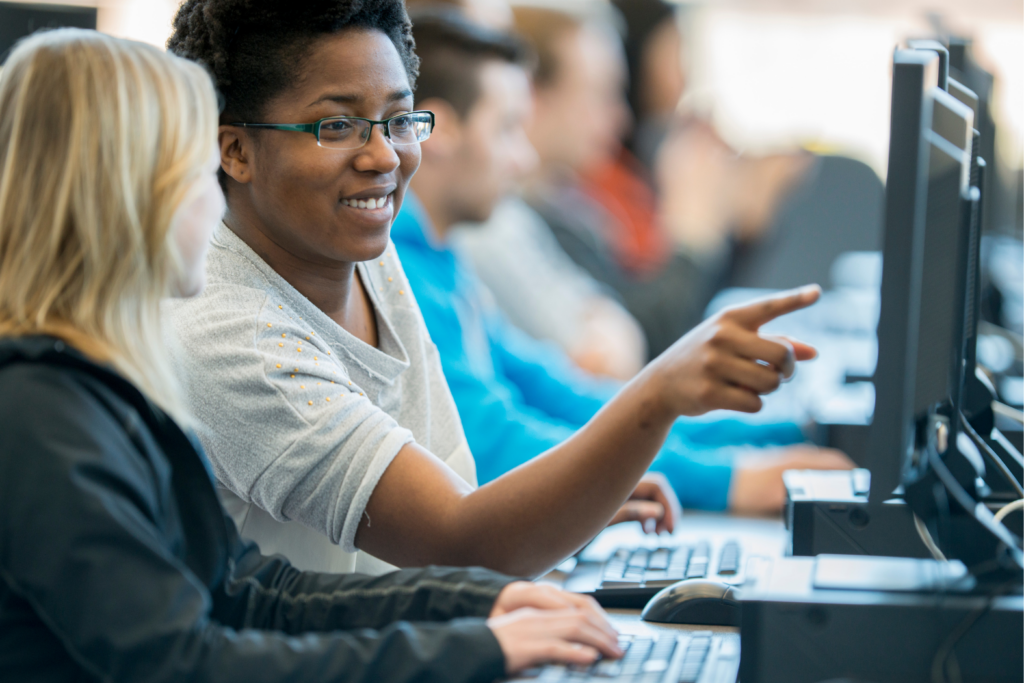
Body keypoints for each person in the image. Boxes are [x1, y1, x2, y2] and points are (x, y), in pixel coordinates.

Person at [0, 28, 627, 682]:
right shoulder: (40, 417)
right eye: (192, 175)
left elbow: (248, 592)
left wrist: (479, 604)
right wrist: (479, 647)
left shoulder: (103, 390)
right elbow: (183, 663)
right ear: (118, 199)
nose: (214, 201)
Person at [165, 0, 827, 579]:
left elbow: (466, 476)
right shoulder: (235, 335)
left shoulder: (365, 249)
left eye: (398, 120)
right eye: (337, 126)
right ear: (236, 151)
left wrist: (576, 496)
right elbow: (460, 534)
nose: (384, 157)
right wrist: (658, 398)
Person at [394, 12, 852, 513]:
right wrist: (728, 482)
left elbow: (560, 395)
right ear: (436, 132)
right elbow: (498, 443)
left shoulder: (443, 259)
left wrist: (798, 430)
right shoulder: (402, 270)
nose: (521, 160)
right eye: (506, 130)